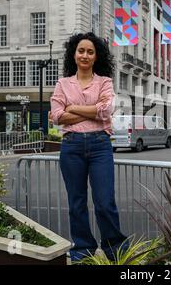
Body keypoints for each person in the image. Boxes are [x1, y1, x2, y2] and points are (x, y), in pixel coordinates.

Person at [50, 32, 128, 262]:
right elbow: (56, 117)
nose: (85, 55)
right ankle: (82, 248)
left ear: (96, 57)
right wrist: (91, 111)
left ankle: (115, 249)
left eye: (90, 51)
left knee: (105, 202)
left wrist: (72, 108)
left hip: (100, 146)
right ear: (74, 55)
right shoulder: (63, 83)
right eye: (81, 50)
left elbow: (106, 111)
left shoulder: (104, 82)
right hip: (71, 147)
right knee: (77, 203)